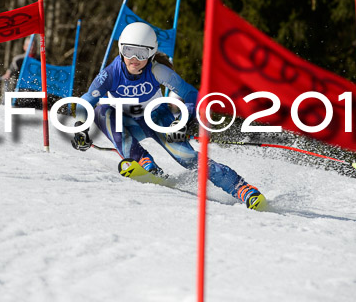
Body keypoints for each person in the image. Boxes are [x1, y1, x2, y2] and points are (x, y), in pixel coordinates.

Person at [70, 22, 267, 210]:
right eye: (129, 51)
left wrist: (183, 121)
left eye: (142, 53)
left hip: (157, 118)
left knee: (187, 158)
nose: (134, 59)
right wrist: (80, 127)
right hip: (127, 125)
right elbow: (87, 99)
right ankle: (143, 162)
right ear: (121, 49)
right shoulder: (110, 74)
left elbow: (192, 94)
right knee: (101, 111)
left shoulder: (157, 70)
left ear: (152, 53)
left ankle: (242, 188)